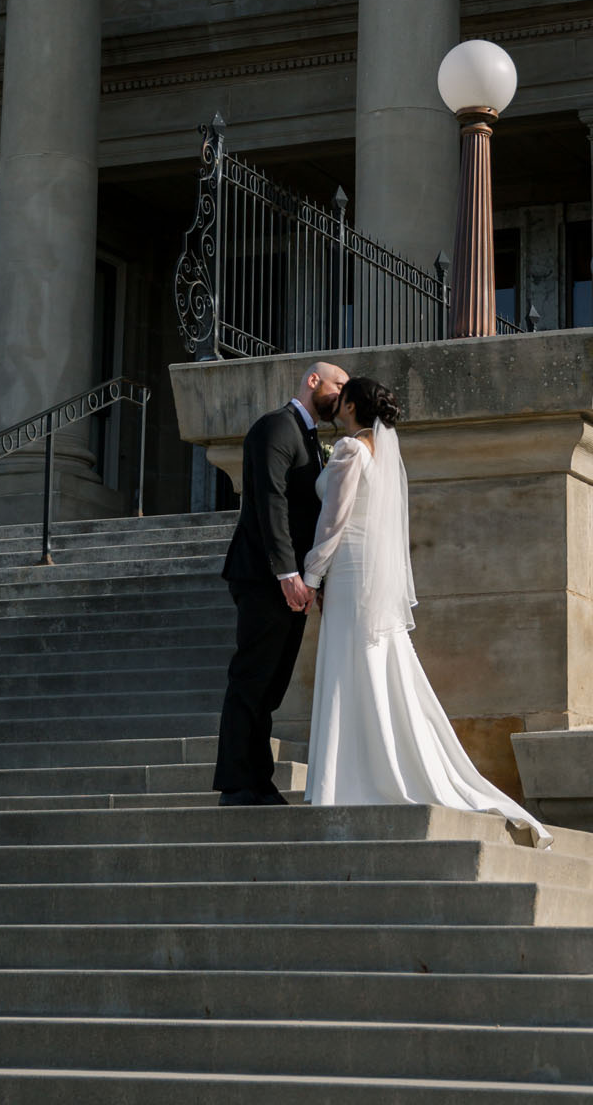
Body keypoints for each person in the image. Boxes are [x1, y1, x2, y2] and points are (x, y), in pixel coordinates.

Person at [299, 375, 550, 840]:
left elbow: (333, 520)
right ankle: (358, 770)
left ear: (352, 404)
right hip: (365, 571)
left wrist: (312, 575)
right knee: (371, 665)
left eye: (342, 396)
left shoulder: (352, 451)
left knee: (351, 666)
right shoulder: (381, 454)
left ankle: (346, 775)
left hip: (351, 571)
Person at [214, 360, 349, 807]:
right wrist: (287, 573)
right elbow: (270, 503)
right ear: (313, 381)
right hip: (263, 578)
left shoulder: (311, 438)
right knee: (251, 680)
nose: (342, 394)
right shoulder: (276, 427)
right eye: (338, 385)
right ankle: (237, 784)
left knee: (271, 687)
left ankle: (258, 780)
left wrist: (318, 578)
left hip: (291, 581)